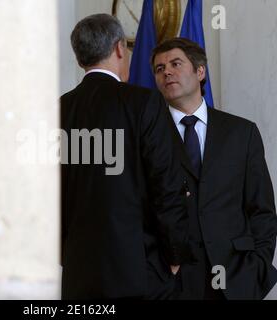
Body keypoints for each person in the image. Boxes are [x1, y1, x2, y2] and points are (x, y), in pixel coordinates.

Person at [60, 14, 191, 300]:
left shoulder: (58, 109)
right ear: (120, 48)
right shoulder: (143, 102)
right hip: (139, 271)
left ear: (81, 59)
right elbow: (166, 185)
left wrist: (65, 255)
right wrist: (176, 254)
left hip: (77, 272)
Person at [151, 37, 277, 300]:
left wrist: (257, 266)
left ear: (200, 71)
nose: (167, 72)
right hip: (171, 283)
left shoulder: (242, 132)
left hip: (236, 278)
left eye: (175, 63)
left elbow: (262, 209)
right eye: (159, 68)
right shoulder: (147, 137)